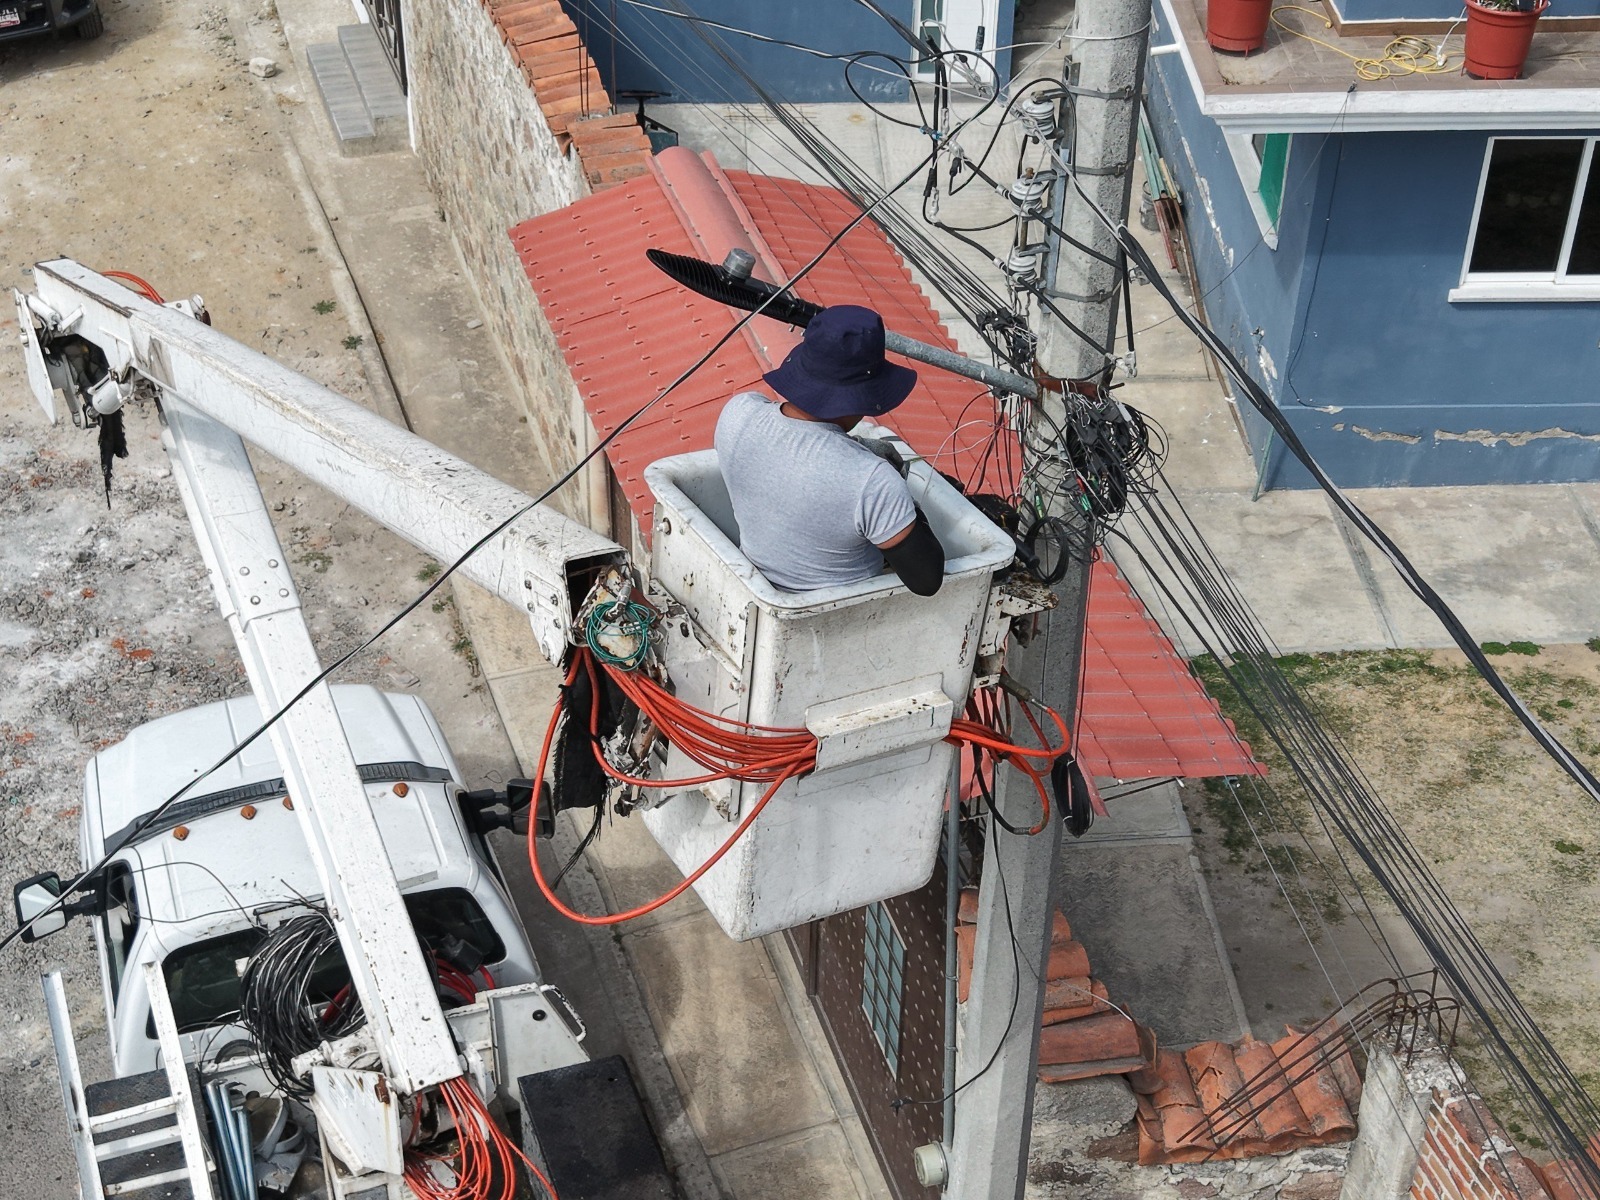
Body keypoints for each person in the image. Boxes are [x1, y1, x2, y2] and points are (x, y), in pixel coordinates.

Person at [714, 305, 945, 596]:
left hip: (753, 584)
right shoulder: (872, 481)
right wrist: (900, 494)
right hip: (840, 613)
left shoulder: (738, 412)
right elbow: (927, 580)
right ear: (862, 398)